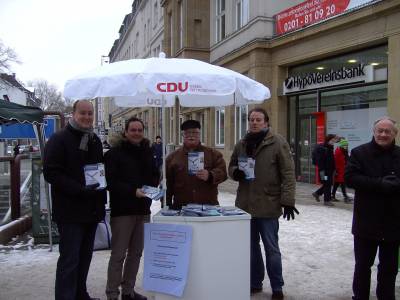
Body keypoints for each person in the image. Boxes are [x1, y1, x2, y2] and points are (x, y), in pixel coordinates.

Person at [228, 107, 298, 300]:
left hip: (268, 204)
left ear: (266, 122)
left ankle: (277, 287)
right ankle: (255, 283)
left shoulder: (277, 142)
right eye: (251, 119)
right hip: (245, 204)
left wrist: (288, 201)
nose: (254, 122)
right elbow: (231, 167)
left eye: (258, 119)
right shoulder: (242, 143)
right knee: (251, 248)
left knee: (271, 248)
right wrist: (236, 172)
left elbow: (288, 173)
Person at [43, 99, 106, 300]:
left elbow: (98, 171)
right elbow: (51, 173)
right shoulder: (59, 139)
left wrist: (101, 193)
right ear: (73, 114)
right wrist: (79, 190)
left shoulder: (94, 140)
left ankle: (80, 294)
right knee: (69, 260)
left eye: (90, 113)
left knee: (85, 258)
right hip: (70, 212)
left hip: (91, 210)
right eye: (83, 113)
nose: (87, 117)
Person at [345, 116, 400, 300]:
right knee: (362, 266)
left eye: (388, 131)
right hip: (366, 222)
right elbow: (350, 178)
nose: (383, 134)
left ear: (395, 134)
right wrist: (378, 184)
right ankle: (360, 297)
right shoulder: (360, 153)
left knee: (389, 268)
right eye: (380, 131)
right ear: (374, 132)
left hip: (394, 222)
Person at [105, 117, 159, 300]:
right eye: (133, 130)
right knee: (118, 254)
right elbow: (110, 182)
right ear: (126, 132)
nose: (136, 133)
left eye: (139, 130)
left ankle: (128, 291)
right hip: (123, 211)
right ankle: (112, 293)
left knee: (136, 253)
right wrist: (132, 191)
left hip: (143, 209)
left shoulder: (148, 151)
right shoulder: (114, 154)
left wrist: (154, 185)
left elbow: (154, 175)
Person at [166, 119, 227, 209]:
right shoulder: (172, 158)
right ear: (183, 135)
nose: (191, 136)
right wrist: (167, 205)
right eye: (188, 133)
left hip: (208, 208)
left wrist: (210, 175)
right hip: (181, 209)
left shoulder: (213, 154)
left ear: (199, 134)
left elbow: (223, 173)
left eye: (195, 133)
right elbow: (168, 184)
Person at [311, 134, 337, 206]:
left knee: (328, 184)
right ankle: (326, 200)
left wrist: (334, 168)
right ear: (328, 140)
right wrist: (322, 171)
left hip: (329, 170)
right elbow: (320, 161)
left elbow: (331, 160)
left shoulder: (330, 147)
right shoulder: (323, 148)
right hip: (324, 171)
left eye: (334, 140)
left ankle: (317, 193)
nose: (334, 141)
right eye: (332, 140)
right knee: (327, 184)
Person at [332, 138, 352, 203]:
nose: (346, 146)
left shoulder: (344, 151)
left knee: (337, 184)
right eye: (345, 145)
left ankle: (333, 196)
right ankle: (345, 197)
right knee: (342, 184)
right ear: (342, 145)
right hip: (339, 171)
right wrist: (336, 171)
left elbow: (347, 160)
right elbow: (336, 162)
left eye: (347, 145)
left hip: (343, 170)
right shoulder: (338, 152)